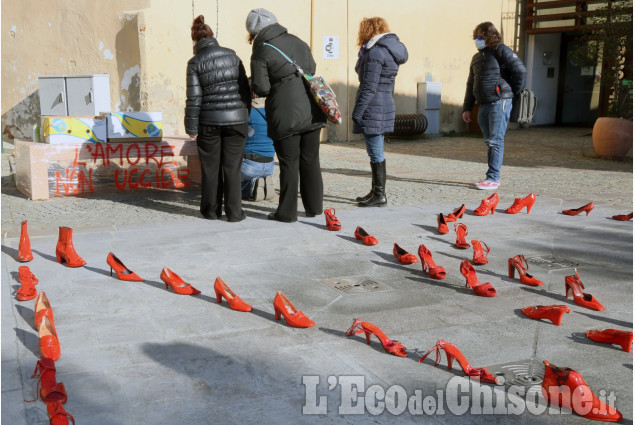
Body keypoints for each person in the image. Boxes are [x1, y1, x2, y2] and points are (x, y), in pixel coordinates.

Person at [246, 8, 326, 223]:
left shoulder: (261, 50)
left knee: (289, 163)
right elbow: (312, 67)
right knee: (311, 159)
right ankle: (314, 208)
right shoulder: (298, 41)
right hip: (312, 108)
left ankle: (287, 213)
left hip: (285, 113)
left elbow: (261, 88)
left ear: (254, 32)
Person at [185, 15, 251, 221]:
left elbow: (194, 98)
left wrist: (191, 128)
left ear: (195, 41)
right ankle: (234, 213)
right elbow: (245, 90)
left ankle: (211, 211)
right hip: (237, 120)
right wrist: (244, 114)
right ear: (213, 36)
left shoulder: (195, 62)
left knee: (211, 169)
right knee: (233, 168)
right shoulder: (233, 55)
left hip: (209, 122)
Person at [462, 21, 526, 190]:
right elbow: (470, 84)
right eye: (475, 36)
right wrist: (467, 107)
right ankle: (491, 177)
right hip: (483, 104)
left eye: (479, 36)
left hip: (499, 102)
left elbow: (520, 71)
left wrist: (510, 92)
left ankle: (493, 178)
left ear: (488, 35)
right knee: (489, 141)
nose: (476, 39)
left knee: (495, 140)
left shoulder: (501, 51)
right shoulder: (477, 58)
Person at [352, 17, 408, 208]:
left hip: (373, 105)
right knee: (374, 151)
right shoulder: (389, 50)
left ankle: (380, 195)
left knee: (375, 151)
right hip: (383, 103)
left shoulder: (375, 52)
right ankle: (375, 191)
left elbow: (369, 86)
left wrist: (357, 111)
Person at [241, 97, 275, 201]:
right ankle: (260, 182)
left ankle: (251, 186)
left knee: (230, 177)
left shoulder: (248, 112)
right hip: (270, 165)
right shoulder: (273, 111)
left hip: (250, 165)